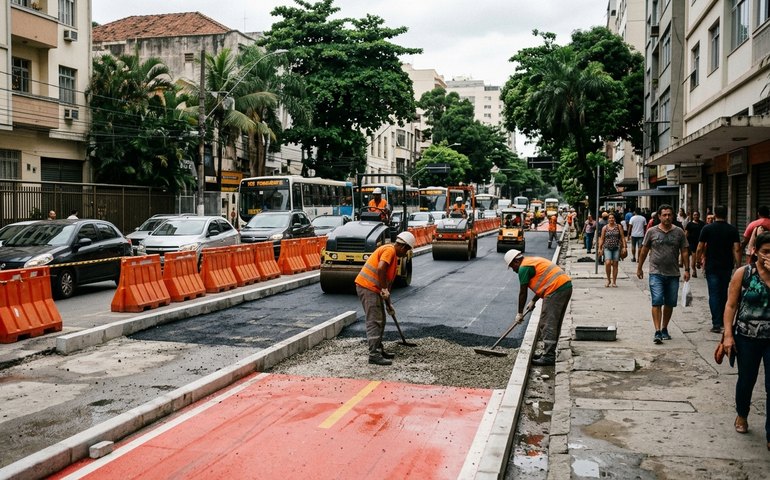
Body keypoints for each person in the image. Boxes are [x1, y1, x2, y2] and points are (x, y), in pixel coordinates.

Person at [718, 232, 770, 451]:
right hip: (746, 337)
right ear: (755, 251)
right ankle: (742, 413)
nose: (769, 256)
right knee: (746, 380)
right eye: (766, 251)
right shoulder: (744, 273)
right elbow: (731, 305)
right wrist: (728, 335)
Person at [354, 231, 415, 366]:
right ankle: (374, 355)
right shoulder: (390, 250)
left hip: (373, 289)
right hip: (368, 287)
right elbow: (381, 269)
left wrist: (389, 304)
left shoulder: (392, 255)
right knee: (375, 321)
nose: (405, 254)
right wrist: (384, 290)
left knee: (381, 319)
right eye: (407, 251)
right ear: (404, 247)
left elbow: (386, 284)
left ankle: (378, 349)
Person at [503, 249, 573, 366]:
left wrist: (519, 313)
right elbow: (544, 281)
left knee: (548, 323)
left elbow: (522, 292)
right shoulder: (530, 261)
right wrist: (533, 301)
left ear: (516, 261)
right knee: (554, 323)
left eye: (512, 267)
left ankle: (548, 357)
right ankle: (548, 352)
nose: (513, 270)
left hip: (555, 289)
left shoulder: (523, 268)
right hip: (564, 286)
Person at [636, 204, 690, 344]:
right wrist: (639, 267)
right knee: (657, 300)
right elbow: (644, 250)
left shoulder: (679, 232)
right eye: (664, 215)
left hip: (673, 273)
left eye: (669, 214)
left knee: (670, 303)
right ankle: (657, 331)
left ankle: (665, 327)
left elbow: (684, 250)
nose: (667, 217)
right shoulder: (652, 232)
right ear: (659, 216)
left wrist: (687, 269)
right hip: (656, 272)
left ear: (673, 216)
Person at [695, 205, 741, 333]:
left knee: (714, 294)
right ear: (726, 214)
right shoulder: (732, 229)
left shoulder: (707, 228)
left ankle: (716, 323)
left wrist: (698, 261)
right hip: (726, 266)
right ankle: (723, 321)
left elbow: (700, 247)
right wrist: (738, 266)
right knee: (723, 293)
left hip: (712, 266)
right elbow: (737, 248)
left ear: (714, 214)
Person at [598, 212, 626, 288]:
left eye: (612, 218)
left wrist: (624, 247)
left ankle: (614, 281)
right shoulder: (605, 228)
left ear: (615, 219)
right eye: (610, 218)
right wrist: (600, 248)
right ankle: (608, 279)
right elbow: (602, 238)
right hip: (607, 248)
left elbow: (623, 237)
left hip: (616, 247)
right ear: (608, 219)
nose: (611, 219)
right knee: (607, 263)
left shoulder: (618, 226)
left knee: (615, 264)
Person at [684, 211, 705, 277]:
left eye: (697, 215)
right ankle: (694, 271)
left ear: (699, 215)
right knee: (694, 257)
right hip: (692, 243)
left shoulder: (702, 224)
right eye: (694, 215)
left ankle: (699, 263)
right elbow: (686, 233)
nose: (696, 216)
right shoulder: (689, 224)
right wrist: (684, 241)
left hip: (701, 242)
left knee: (702, 256)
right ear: (692, 216)